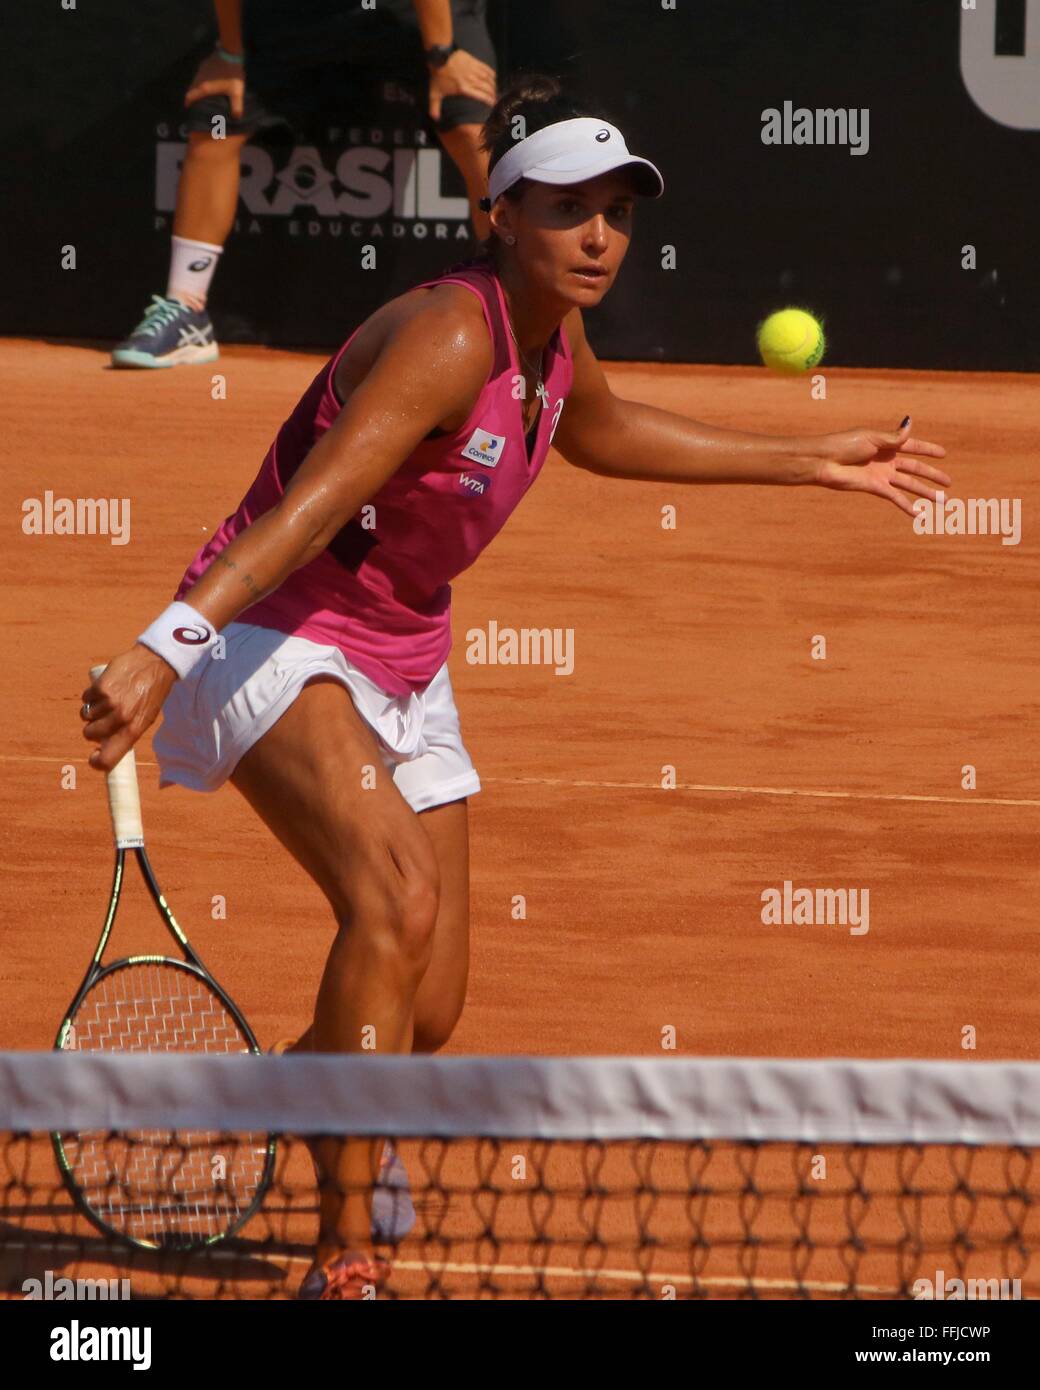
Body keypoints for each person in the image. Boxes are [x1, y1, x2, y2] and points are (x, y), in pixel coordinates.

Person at [80, 74, 949, 1297]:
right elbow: (315, 502)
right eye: (565, 208)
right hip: (272, 628)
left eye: (615, 211)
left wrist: (809, 458)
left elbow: (598, 429)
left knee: (422, 1008)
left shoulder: (551, 336)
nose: (597, 235)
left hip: (405, 649)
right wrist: (166, 644)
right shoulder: (450, 334)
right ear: (498, 214)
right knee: (392, 901)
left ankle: (280, 1090)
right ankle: (345, 1249)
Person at [111, 0, 497, 369]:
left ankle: (507, 311)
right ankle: (185, 310)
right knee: (220, 113)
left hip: (414, 13)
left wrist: (442, 56)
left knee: (467, 116)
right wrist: (231, 55)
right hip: (298, 12)